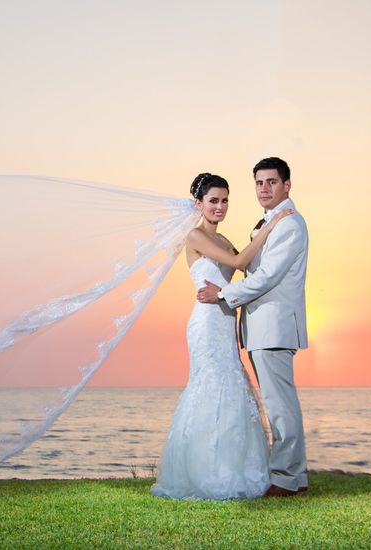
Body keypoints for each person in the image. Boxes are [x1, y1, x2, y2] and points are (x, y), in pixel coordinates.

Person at [150, 172, 292, 500]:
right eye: (213, 200)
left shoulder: (224, 240)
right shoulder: (195, 237)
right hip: (206, 324)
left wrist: (268, 234)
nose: (220, 206)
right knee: (211, 388)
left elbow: (248, 268)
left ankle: (235, 468)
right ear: (198, 204)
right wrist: (271, 225)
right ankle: (206, 472)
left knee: (232, 390)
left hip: (226, 323)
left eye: (225, 200)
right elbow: (241, 261)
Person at [197, 157, 309, 496]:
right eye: (259, 182)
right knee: (279, 404)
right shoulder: (270, 222)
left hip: (274, 325)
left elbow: (267, 276)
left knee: (280, 406)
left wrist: (223, 294)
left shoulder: (288, 224)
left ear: (286, 185)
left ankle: (287, 479)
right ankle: (295, 476)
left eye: (271, 182)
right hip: (262, 327)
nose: (264, 188)